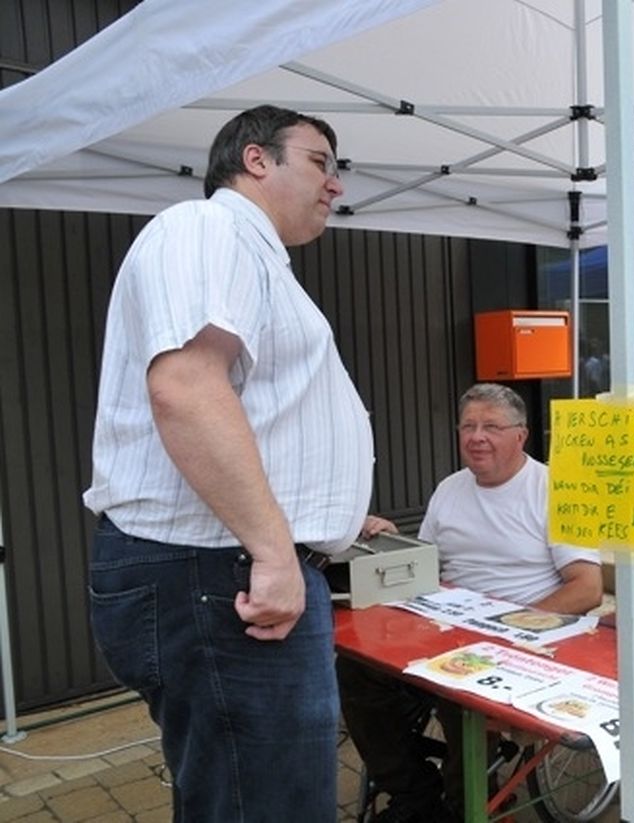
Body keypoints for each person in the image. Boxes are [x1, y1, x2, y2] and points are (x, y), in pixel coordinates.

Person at [82, 105, 376, 822]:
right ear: (256, 159)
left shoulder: (245, 251)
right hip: (222, 572)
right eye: (320, 162)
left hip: (224, 568)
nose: (335, 184)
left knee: (245, 798)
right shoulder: (209, 228)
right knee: (267, 806)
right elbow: (185, 387)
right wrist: (274, 551)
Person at [338, 383, 603, 821]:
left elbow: (587, 588)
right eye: (469, 426)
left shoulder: (554, 489)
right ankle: (414, 794)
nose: (477, 437)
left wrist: (511, 625)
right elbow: (429, 565)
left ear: (521, 435)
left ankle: (468, 806)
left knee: (459, 692)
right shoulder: (450, 488)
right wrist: (394, 541)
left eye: (491, 427)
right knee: (355, 669)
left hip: (525, 641)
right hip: (447, 629)